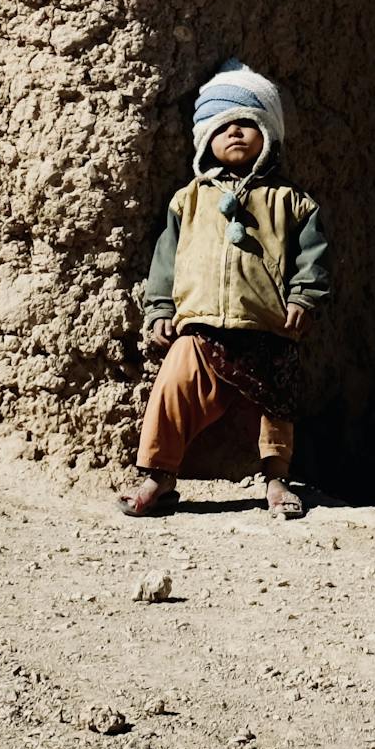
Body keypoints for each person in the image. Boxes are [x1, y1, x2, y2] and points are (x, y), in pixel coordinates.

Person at [127, 63, 330, 521]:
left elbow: (311, 258)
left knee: (276, 403)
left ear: (267, 133)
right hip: (198, 327)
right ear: (204, 139)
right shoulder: (189, 198)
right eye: (223, 126)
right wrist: (160, 307)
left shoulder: (292, 201)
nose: (235, 133)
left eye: (246, 123)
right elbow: (166, 259)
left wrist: (302, 298)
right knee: (172, 388)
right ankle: (157, 475)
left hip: (267, 327)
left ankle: (277, 480)